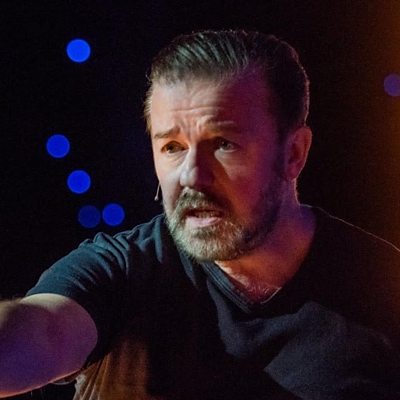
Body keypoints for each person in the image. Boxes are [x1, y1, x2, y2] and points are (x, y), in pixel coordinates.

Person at [1, 30, 399, 400]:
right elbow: (44, 331)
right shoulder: (122, 270)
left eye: (223, 143)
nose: (191, 175)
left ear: (293, 153)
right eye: (172, 147)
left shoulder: (383, 286)